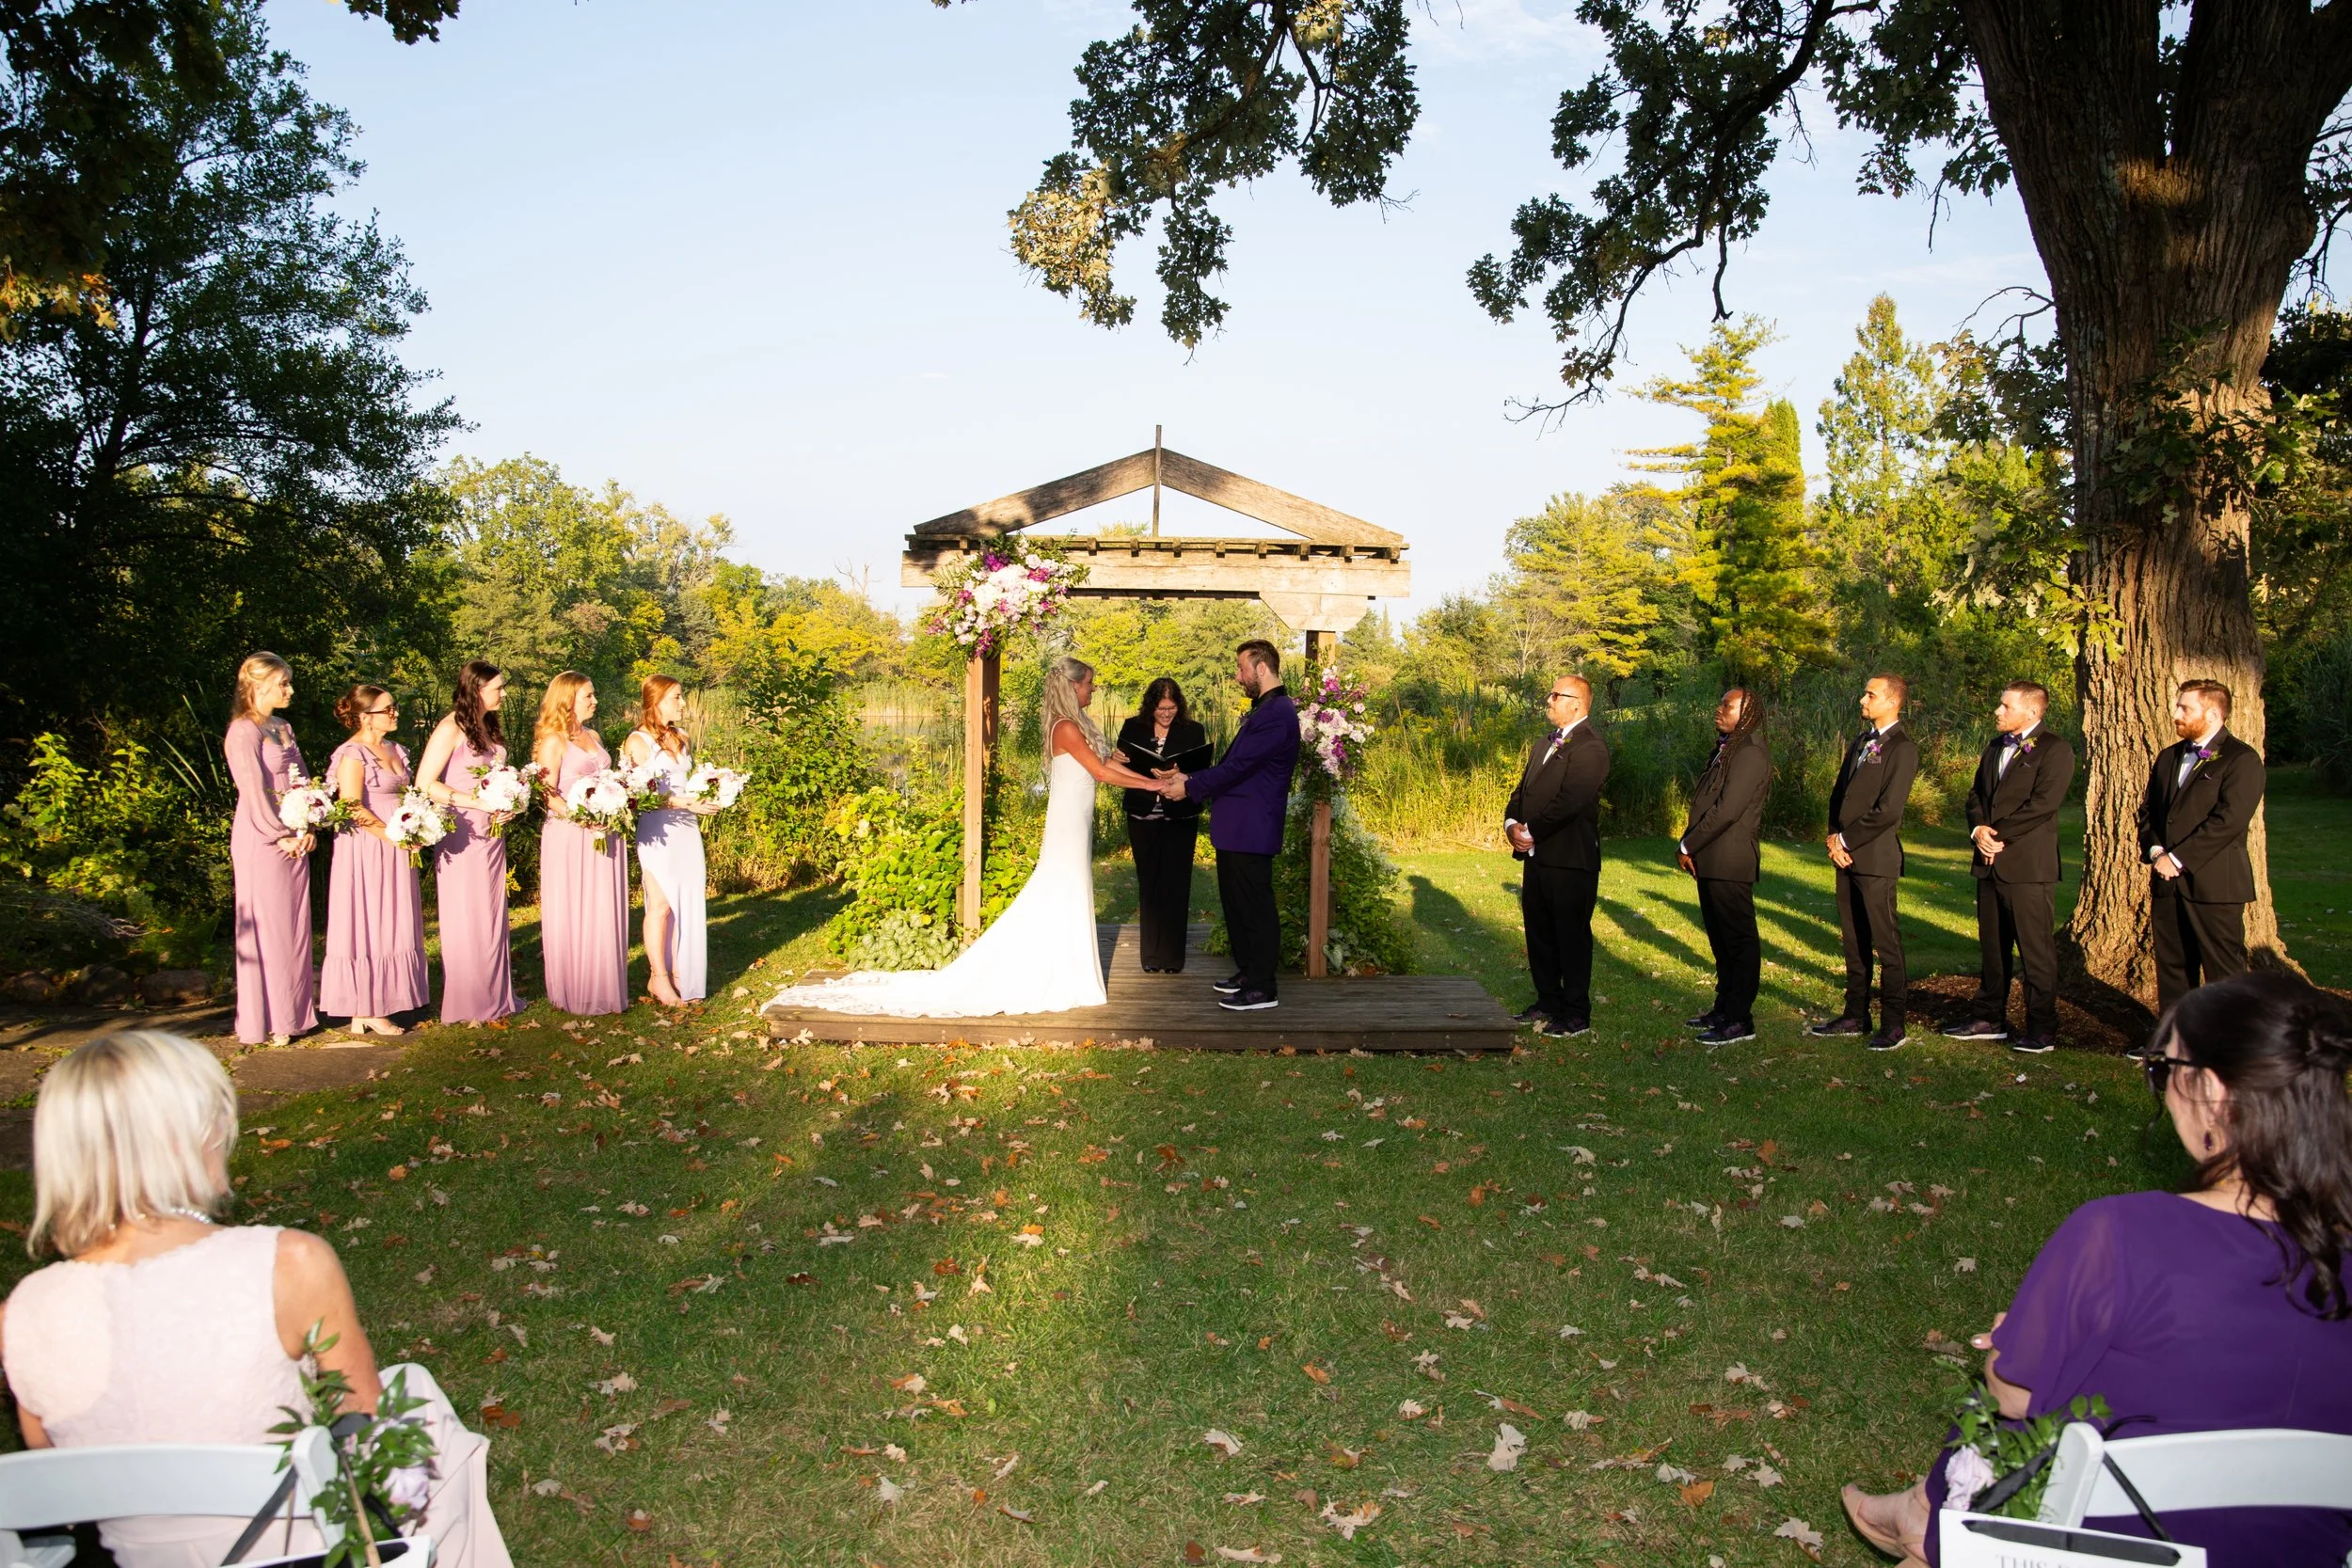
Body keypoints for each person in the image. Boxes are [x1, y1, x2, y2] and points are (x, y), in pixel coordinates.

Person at [1841, 973, 2352, 1567]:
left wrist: (2015, 1343)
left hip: (2117, 1541)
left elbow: (2014, 1395)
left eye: (2164, 1071)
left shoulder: (2123, 1234)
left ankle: (1925, 1525)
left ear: (2210, 1091)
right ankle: (1922, 1520)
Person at [0, 1031, 515, 1568]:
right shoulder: (286, 1261)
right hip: (297, 1552)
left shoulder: (23, 1313)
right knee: (417, 1401)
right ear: (185, 1137)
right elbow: (359, 1418)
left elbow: (53, 1468)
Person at [768, 657, 1161, 1017]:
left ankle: (1063, 964)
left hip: (1076, 818)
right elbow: (1101, 774)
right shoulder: (1067, 726)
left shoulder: (1073, 726)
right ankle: (1056, 969)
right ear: (1074, 688)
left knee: (1068, 886)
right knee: (1063, 884)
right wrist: (1154, 787)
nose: (1093, 689)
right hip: (1068, 822)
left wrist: (1134, 770)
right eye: (1090, 684)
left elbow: (1102, 765)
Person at [1158, 641, 1303, 1013]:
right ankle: (1248, 971)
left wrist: (1189, 787)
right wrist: (1189, 775)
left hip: (1252, 825)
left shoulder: (1277, 714)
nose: (1237, 676)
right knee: (1237, 903)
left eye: (1241, 669)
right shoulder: (1267, 711)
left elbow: (1240, 769)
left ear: (1262, 669)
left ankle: (1262, 987)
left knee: (1255, 906)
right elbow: (1234, 765)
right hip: (1238, 824)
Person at [1945, 681, 2076, 1053]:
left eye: (2005, 706)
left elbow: (2043, 804)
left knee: (2035, 952)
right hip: (1988, 863)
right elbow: (1976, 795)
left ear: (2032, 712)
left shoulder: (2055, 749)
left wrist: (1997, 835)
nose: (1997, 712)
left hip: (2027, 866)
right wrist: (1978, 829)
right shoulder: (1994, 746)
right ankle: (1989, 1018)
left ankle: (2042, 1028)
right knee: (1993, 947)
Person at [2137, 678, 2264, 1008]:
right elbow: (2149, 811)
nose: (2175, 713)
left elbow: (2229, 820)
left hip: (2216, 885)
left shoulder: (2241, 759)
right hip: (2166, 881)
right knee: (2173, 967)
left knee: (2224, 971)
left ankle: (2228, 1045)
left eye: (2184, 708)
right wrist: (2155, 851)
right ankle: (2176, 1040)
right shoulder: (2168, 757)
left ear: (2212, 714)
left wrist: (2177, 858)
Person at [1811, 673, 1919, 1051]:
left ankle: (1893, 1024)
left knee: (1885, 943)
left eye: (1870, 694)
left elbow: (1888, 811)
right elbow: (1839, 794)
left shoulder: (1903, 749)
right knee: (1854, 940)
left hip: (1875, 859)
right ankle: (1855, 1014)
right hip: (1844, 858)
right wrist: (1832, 838)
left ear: (1892, 701)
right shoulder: (1861, 741)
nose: (1862, 699)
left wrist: (1846, 838)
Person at [1501, 674, 1610, 1038]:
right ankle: (1547, 1001)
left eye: (1555, 695)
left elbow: (1571, 803)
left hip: (1569, 859)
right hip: (1536, 856)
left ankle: (1576, 1012)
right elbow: (1522, 791)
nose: (1548, 700)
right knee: (1540, 932)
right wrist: (1512, 823)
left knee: (1571, 935)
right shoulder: (1540, 744)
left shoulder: (1591, 748)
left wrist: (1530, 833)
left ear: (1576, 704)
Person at [319, 684, 429, 1037]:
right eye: (388, 709)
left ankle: (381, 1000)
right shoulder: (353, 753)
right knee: (369, 917)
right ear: (365, 716)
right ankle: (365, 1007)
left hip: (399, 841)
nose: (395, 713)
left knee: (394, 916)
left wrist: (417, 826)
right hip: (367, 845)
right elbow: (351, 805)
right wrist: (392, 835)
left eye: (394, 707)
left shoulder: (396, 748)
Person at [417, 659, 521, 1024]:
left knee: (492, 912)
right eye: (498, 688)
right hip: (464, 832)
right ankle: (469, 1001)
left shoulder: (487, 725)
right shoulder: (451, 728)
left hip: (492, 832)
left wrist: (508, 804)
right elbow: (425, 783)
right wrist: (477, 802)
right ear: (477, 690)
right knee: (467, 913)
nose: (504, 693)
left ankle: (495, 993)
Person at [223, 652, 317, 1048]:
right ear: (259, 686)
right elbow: (252, 790)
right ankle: (269, 1018)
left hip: (294, 831)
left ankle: (294, 1013)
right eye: (283, 683)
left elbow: (303, 779)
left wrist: (310, 822)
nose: (290, 690)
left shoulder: (284, 727)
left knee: (294, 927)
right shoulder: (243, 731)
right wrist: (279, 834)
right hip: (263, 839)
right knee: (270, 925)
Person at [621, 674, 723, 1006]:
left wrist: (710, 792)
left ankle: (683, 974)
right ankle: (658, 978)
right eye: (676, 697)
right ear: (657, 700)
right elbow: (636, 797)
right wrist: (683, 802)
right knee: (661, 905)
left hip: (687, 828)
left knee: (687, 902)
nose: (683, 703)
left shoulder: (682, 737)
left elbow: (688, 784)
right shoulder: (637, 742)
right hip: (658, 829)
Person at [1677, 688, 1770, 1045]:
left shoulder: (1750, 753)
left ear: (1746, 713)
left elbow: (1728, 809)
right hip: (1711, 857)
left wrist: (1688, 843)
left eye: (1727, 706)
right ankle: (1724, 1006)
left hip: (1730, 859)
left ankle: (1739, 1019)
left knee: (1738, 940)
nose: (1719, 709)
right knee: (1719, 937)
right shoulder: (1728, 747)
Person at [534, 672, 629, 1016]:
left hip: (605, 829)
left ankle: (604, 983)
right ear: (567, 700)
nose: (595, 701)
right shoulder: (553, 741)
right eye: (588, 696)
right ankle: (575, 986)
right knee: (575, 903)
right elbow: (546, 793)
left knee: (603, 902)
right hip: (570, 832)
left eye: (594, 695)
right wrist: (579, 816)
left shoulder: (594, 734)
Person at [1113, 677, 1208, 973]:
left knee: (1177, 885)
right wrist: (1115, 757)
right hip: (1143, 816)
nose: (1166, 713)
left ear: (1178, 705)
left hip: (1180, 816)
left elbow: (1203, 770)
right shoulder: (1132, 727)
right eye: (1161, 708)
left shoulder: (1193, 730)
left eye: (1171, 707)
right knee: (1150, 884)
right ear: (1150, 706)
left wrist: (1182, 772)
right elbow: (1120, 768)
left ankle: (1172, 958)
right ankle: (1151, 957)